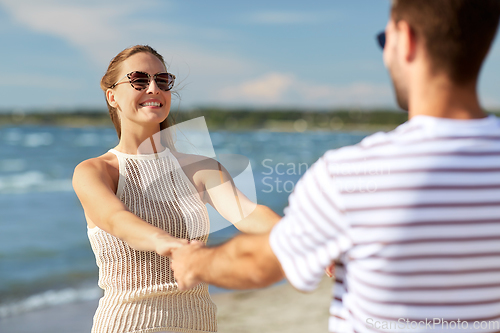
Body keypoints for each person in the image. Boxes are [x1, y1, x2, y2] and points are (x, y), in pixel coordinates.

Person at [171, 1, 500, 332]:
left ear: (405, 39)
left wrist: (196, 262)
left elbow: (257, 264)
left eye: (383, 41)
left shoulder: (352, 175)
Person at [72, 45, 280, 333]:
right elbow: (116, 220)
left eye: (163, 80)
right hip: (128, 324)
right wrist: (169, 244)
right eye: (139, 80)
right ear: (112, 96)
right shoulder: (95, 171)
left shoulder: (202, 168)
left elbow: (248, 214)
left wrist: (306, 238)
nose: (153, 88)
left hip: (199, 324)